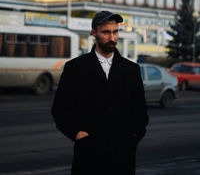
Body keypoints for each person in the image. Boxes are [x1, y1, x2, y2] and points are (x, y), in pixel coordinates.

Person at [51, 10, 149, 175]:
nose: (112, 38)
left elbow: (140, 111)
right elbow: (60, 109)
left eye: (115, 32)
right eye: (106, 32)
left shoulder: (131, 70)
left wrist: (132, 139)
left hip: (122, 160)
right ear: (93, 33)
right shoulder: (75, 68)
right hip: (88, 159)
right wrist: (77, 134)